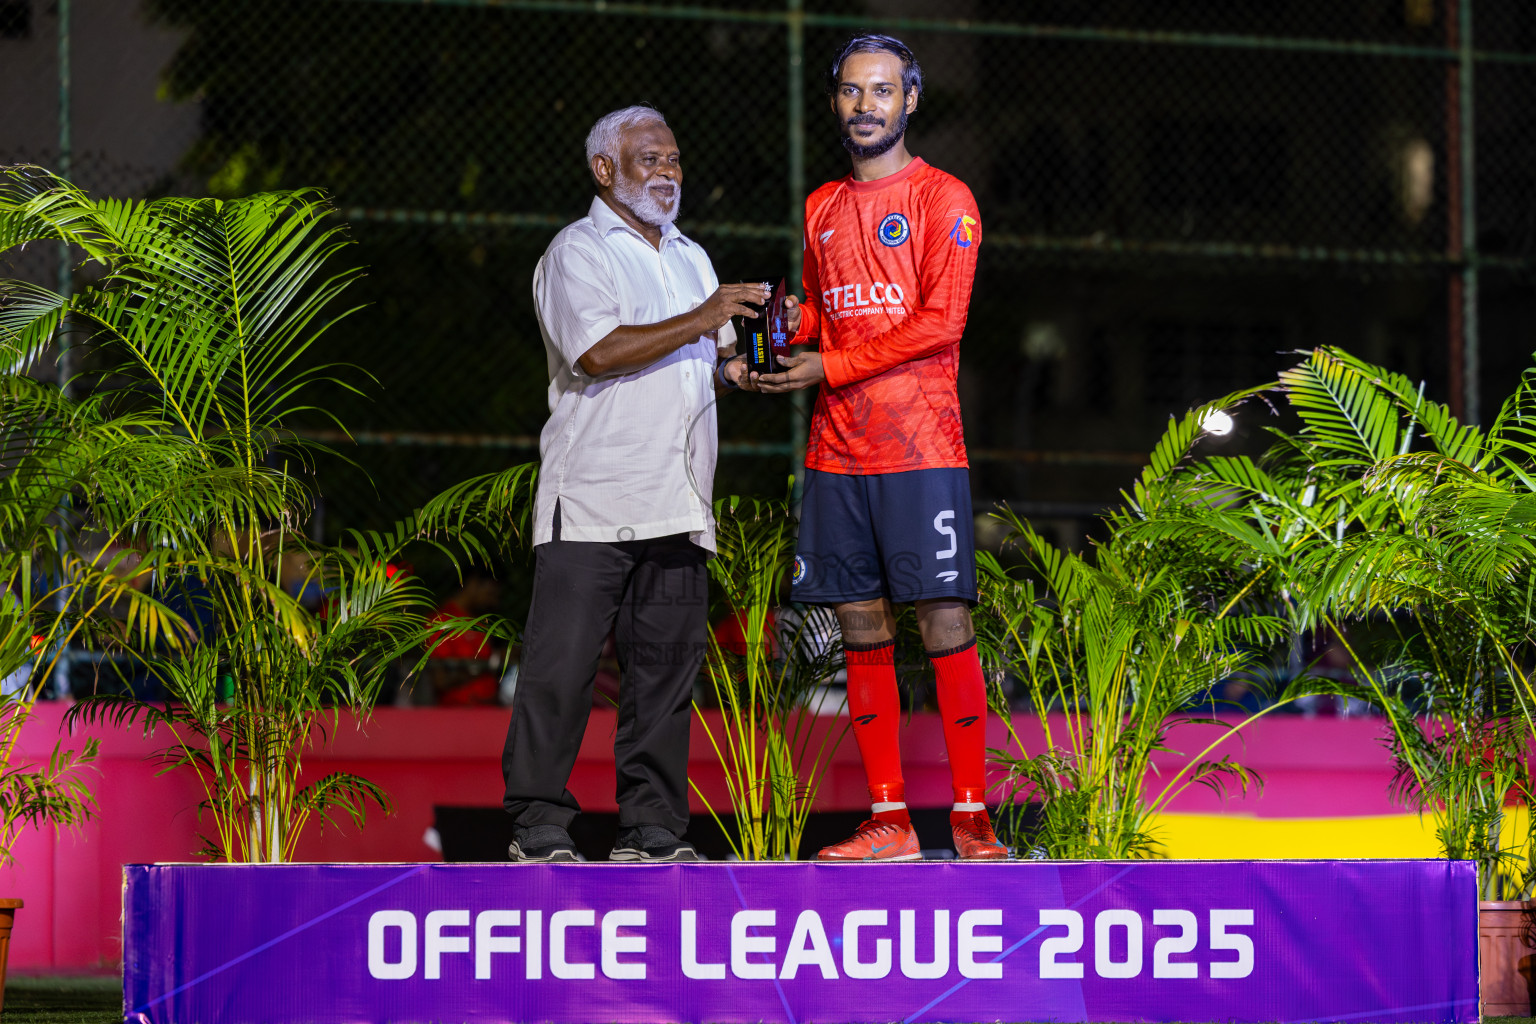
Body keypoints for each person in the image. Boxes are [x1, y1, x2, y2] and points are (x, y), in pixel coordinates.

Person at [751, 34, 1009, 861]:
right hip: (837, 452)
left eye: (883, 91)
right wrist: (787, 332)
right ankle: (889, 819)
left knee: (941, 618)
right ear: (836, 102)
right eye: (853, 92)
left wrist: (829, 361)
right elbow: (827, 318)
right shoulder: (821, 205)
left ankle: (971, 817)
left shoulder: (945, 198)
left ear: (910, 101)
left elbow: (942, 323)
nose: (867, 105)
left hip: (921, 444)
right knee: (860, 624)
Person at [502, 105, 772, 863]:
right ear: (604, 170)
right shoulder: (577, 251)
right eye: (648, 158)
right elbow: (597, 353)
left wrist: (742, 368)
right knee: (562, 673)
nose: (665, 171)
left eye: (674, 159)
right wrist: (706, 317)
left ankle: (653, 831)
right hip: (593, 499)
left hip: (679, 501)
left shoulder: (690, 255)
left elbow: (710, 357)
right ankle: (539, 825)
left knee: (663, 677)